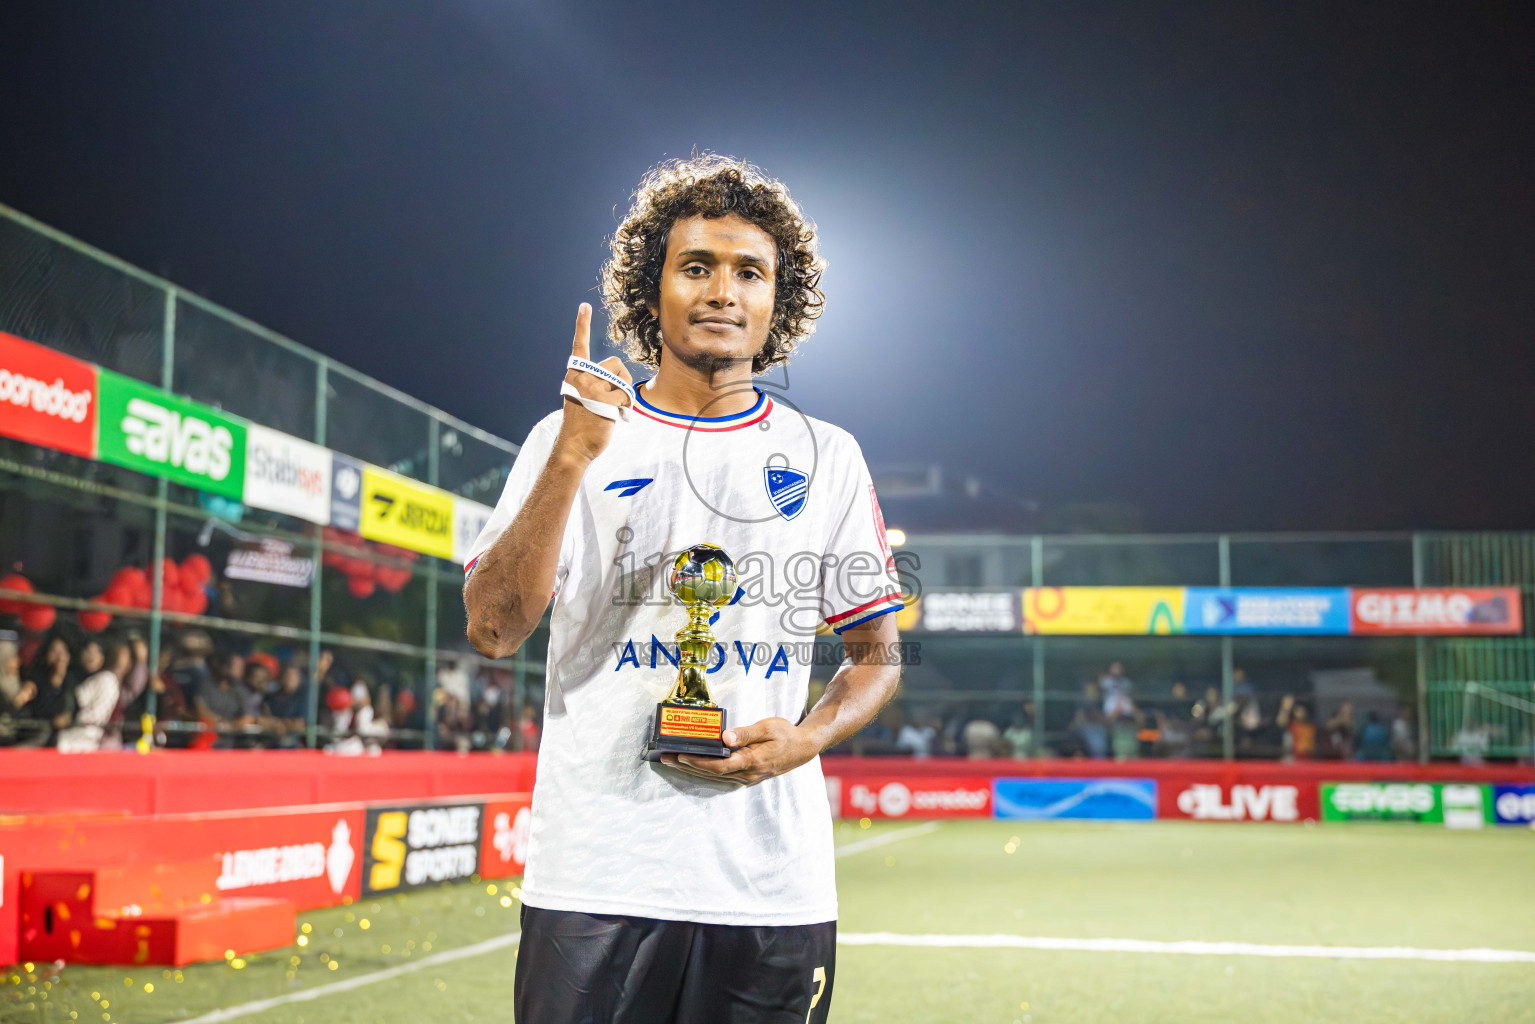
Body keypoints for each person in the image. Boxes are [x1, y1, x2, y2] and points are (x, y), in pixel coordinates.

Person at [462, 155, 901, 1024]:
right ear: (649, 288)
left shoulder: (829, 456)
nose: (722, 292)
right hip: (597, 871)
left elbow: (874, 655)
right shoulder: (568, 435)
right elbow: (493, 630)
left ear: (779, 301)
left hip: (768, 882)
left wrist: (802, 740)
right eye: (695, 266)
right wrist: (573, 459)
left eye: (750, 272)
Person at [57, 639, 126, 752]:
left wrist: (69, 719)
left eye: (96, 652)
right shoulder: (74, 677)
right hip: (70, 738)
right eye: (88, 651)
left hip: (82, 740)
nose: (91, 656)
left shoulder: (107, 679)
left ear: (104, 657)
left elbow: (96, 715)